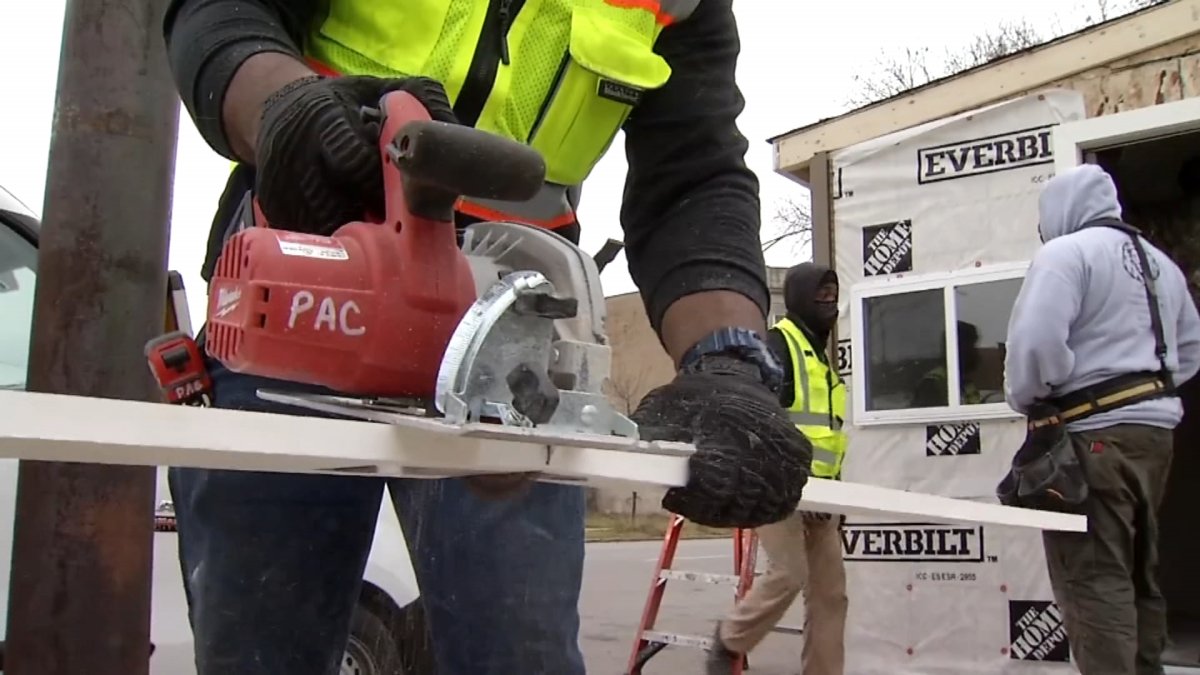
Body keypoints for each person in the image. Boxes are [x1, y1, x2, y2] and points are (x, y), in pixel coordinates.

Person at [160, 1, 813, 674]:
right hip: (307, 283)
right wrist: (283, 106)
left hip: (511, 337)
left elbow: (694, 173)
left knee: (518, 654)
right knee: (263, 650)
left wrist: (725, 356)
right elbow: (221, 11)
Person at [1004, 164, 1200, 674]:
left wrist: (1030, 397)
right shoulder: (1161, 265)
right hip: (1154, 435)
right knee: (1138, 571)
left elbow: (1035, 345)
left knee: (1093, 577)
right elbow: (1190, 350)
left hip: (1094, 437)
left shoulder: (1066, 255)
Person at [707, 262, 849, 675]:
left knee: (831, 596)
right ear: (800, 297)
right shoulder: (777, 345)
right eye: (820, 294)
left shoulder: (820, 355)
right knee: (789, 574)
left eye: (833, 295)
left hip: (824, 496)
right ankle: (730, 639)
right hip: (778, 488)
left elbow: (828, 435)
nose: (829, 302)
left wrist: (834, 491)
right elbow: (760, 422)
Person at [911, 321, 982, 407]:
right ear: (961, 348)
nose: (976, 352)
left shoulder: (964, 382)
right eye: (972, 346)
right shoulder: (931, 384)